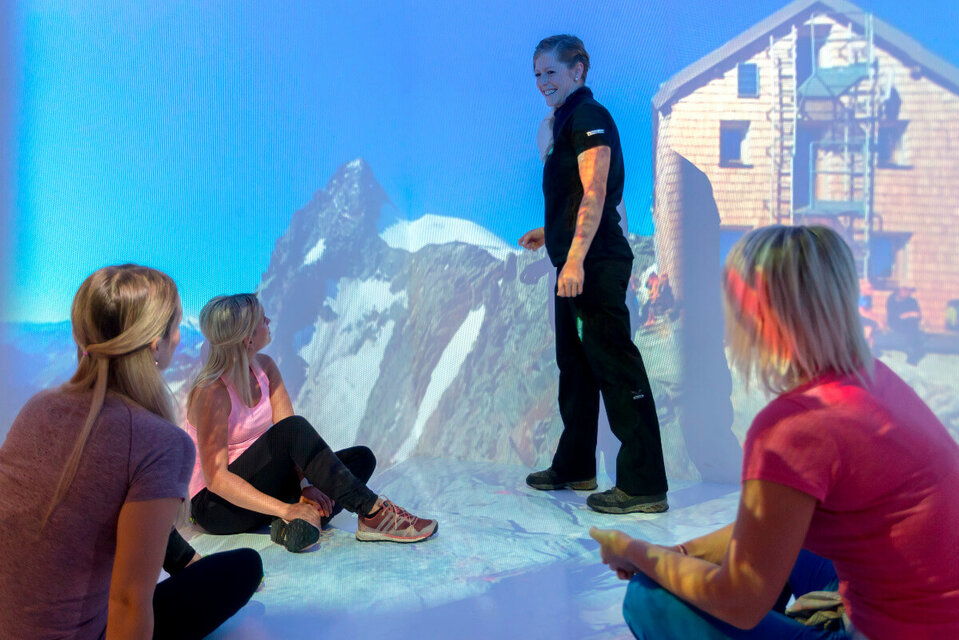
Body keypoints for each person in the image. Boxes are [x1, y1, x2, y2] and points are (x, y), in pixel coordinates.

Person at [591, 225, 959, 639]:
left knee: (647, 596)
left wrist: (636, 552)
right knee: (783, 544)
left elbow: (740, 599)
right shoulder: (872, 377)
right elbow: (775, 531)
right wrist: (679, 553)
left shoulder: (793, 427)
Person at [0, 265, 262, 640]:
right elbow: (127, 602)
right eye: (175, 326)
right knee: (244, 567)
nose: (179, 337)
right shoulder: (161, 442)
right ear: (156, 344)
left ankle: (185, 561)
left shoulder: (38, 408)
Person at [519, 34, 668, 514]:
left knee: (615, 367)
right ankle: (576, 466)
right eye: (537, 74)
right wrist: (552, 234)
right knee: (576, 368)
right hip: (576, 259)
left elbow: (596, 192)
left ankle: (644, 484)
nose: (542, 83)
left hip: (595, 263)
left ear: (578, 69)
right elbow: (574, 198)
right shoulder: (565, 120)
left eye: (551, 72)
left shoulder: (588, 117)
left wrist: (576, 258)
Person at [185, 294, 437, 552]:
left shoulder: (265, 367)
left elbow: (295, 449)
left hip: (262, 487)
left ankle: (293, 524)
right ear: (247, 338)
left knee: (361, 459)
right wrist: (286, 507)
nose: (269, 321)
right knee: (294, 429)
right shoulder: (211, 392)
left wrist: (305, 487)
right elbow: (217, 479)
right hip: (216, 506)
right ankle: (372, 512)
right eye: (262, 319)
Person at [885, 286, 923, 364]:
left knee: (912, 325)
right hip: (895, 323)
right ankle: (912, 352)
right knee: (911, 328)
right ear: (899, 290)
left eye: (909, 291)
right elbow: (895, 316)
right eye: (905, 290)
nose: (908, 293)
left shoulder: (912, 300)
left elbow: (918, 315)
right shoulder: (892, 299)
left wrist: (908, 314)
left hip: (910, 323)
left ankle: (912, 353)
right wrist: (910, 314)